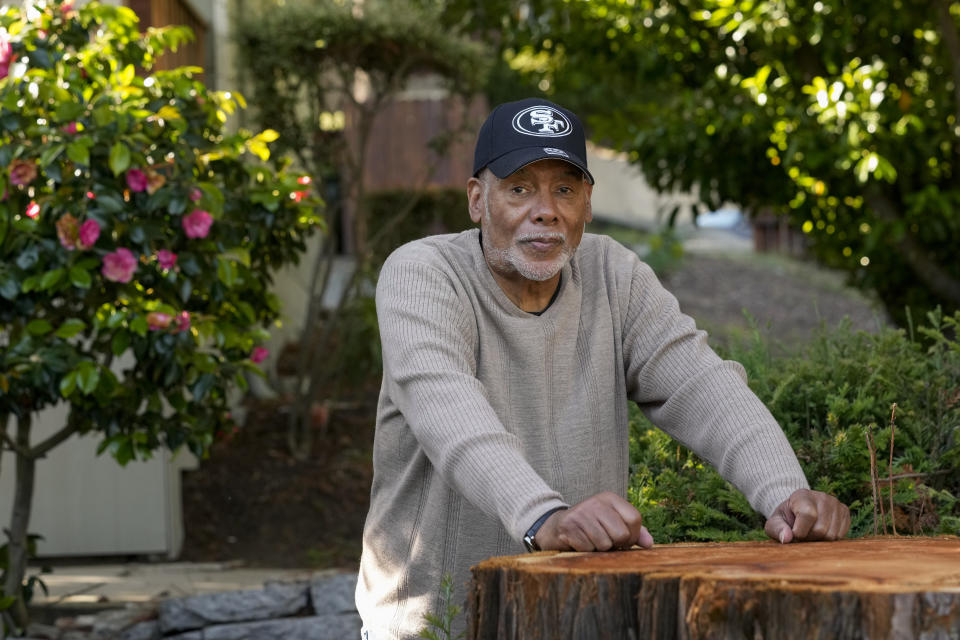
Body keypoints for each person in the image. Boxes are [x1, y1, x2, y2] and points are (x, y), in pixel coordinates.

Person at [355, 98, 850, 639]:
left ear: (587, 203)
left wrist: (785, 493)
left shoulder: (614, 273)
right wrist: (545, 517)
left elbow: (699, 382)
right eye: (520, 188)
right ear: (477, 199)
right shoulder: (422, 273)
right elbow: (446, 407)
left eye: (564, 189)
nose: (546, 210)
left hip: (575, 614)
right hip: (439, 621)